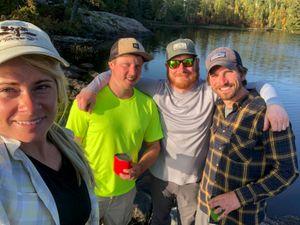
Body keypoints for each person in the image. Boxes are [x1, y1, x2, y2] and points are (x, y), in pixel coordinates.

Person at [75, 38, 290, 225]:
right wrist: (90, 88)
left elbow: (253, 84)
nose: (182, 68)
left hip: (194, 181)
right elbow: (117, 75)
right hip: (160, 178)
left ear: (196, 64)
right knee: (158, 219)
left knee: (188, 222)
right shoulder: (155, 89)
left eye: (187, 62)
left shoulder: (213, 89)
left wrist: (273, 103)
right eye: (174, 63)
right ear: (167, 67)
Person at [0, 20, 98, 225]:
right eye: (8, 89)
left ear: (58, 88)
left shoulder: (66, 141)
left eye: (41, 86)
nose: (30, 106)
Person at [65, 37, 163, 225]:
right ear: (111, 64)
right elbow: (70, 147)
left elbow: (154, 146)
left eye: (138, 66)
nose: (132, 72)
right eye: (126, 65)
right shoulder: (87, 102)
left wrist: (140, 168)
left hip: (125, 194)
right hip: (89, 191)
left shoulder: (147, 105)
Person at [196, 47, 299, 225]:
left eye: (228, 72)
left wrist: (238, 197)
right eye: (215, 75)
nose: (222, 81)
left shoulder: (267, 114)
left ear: (242, 74)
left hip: (239, 218)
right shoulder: (218, 105)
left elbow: (288, 171)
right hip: (205, 208)